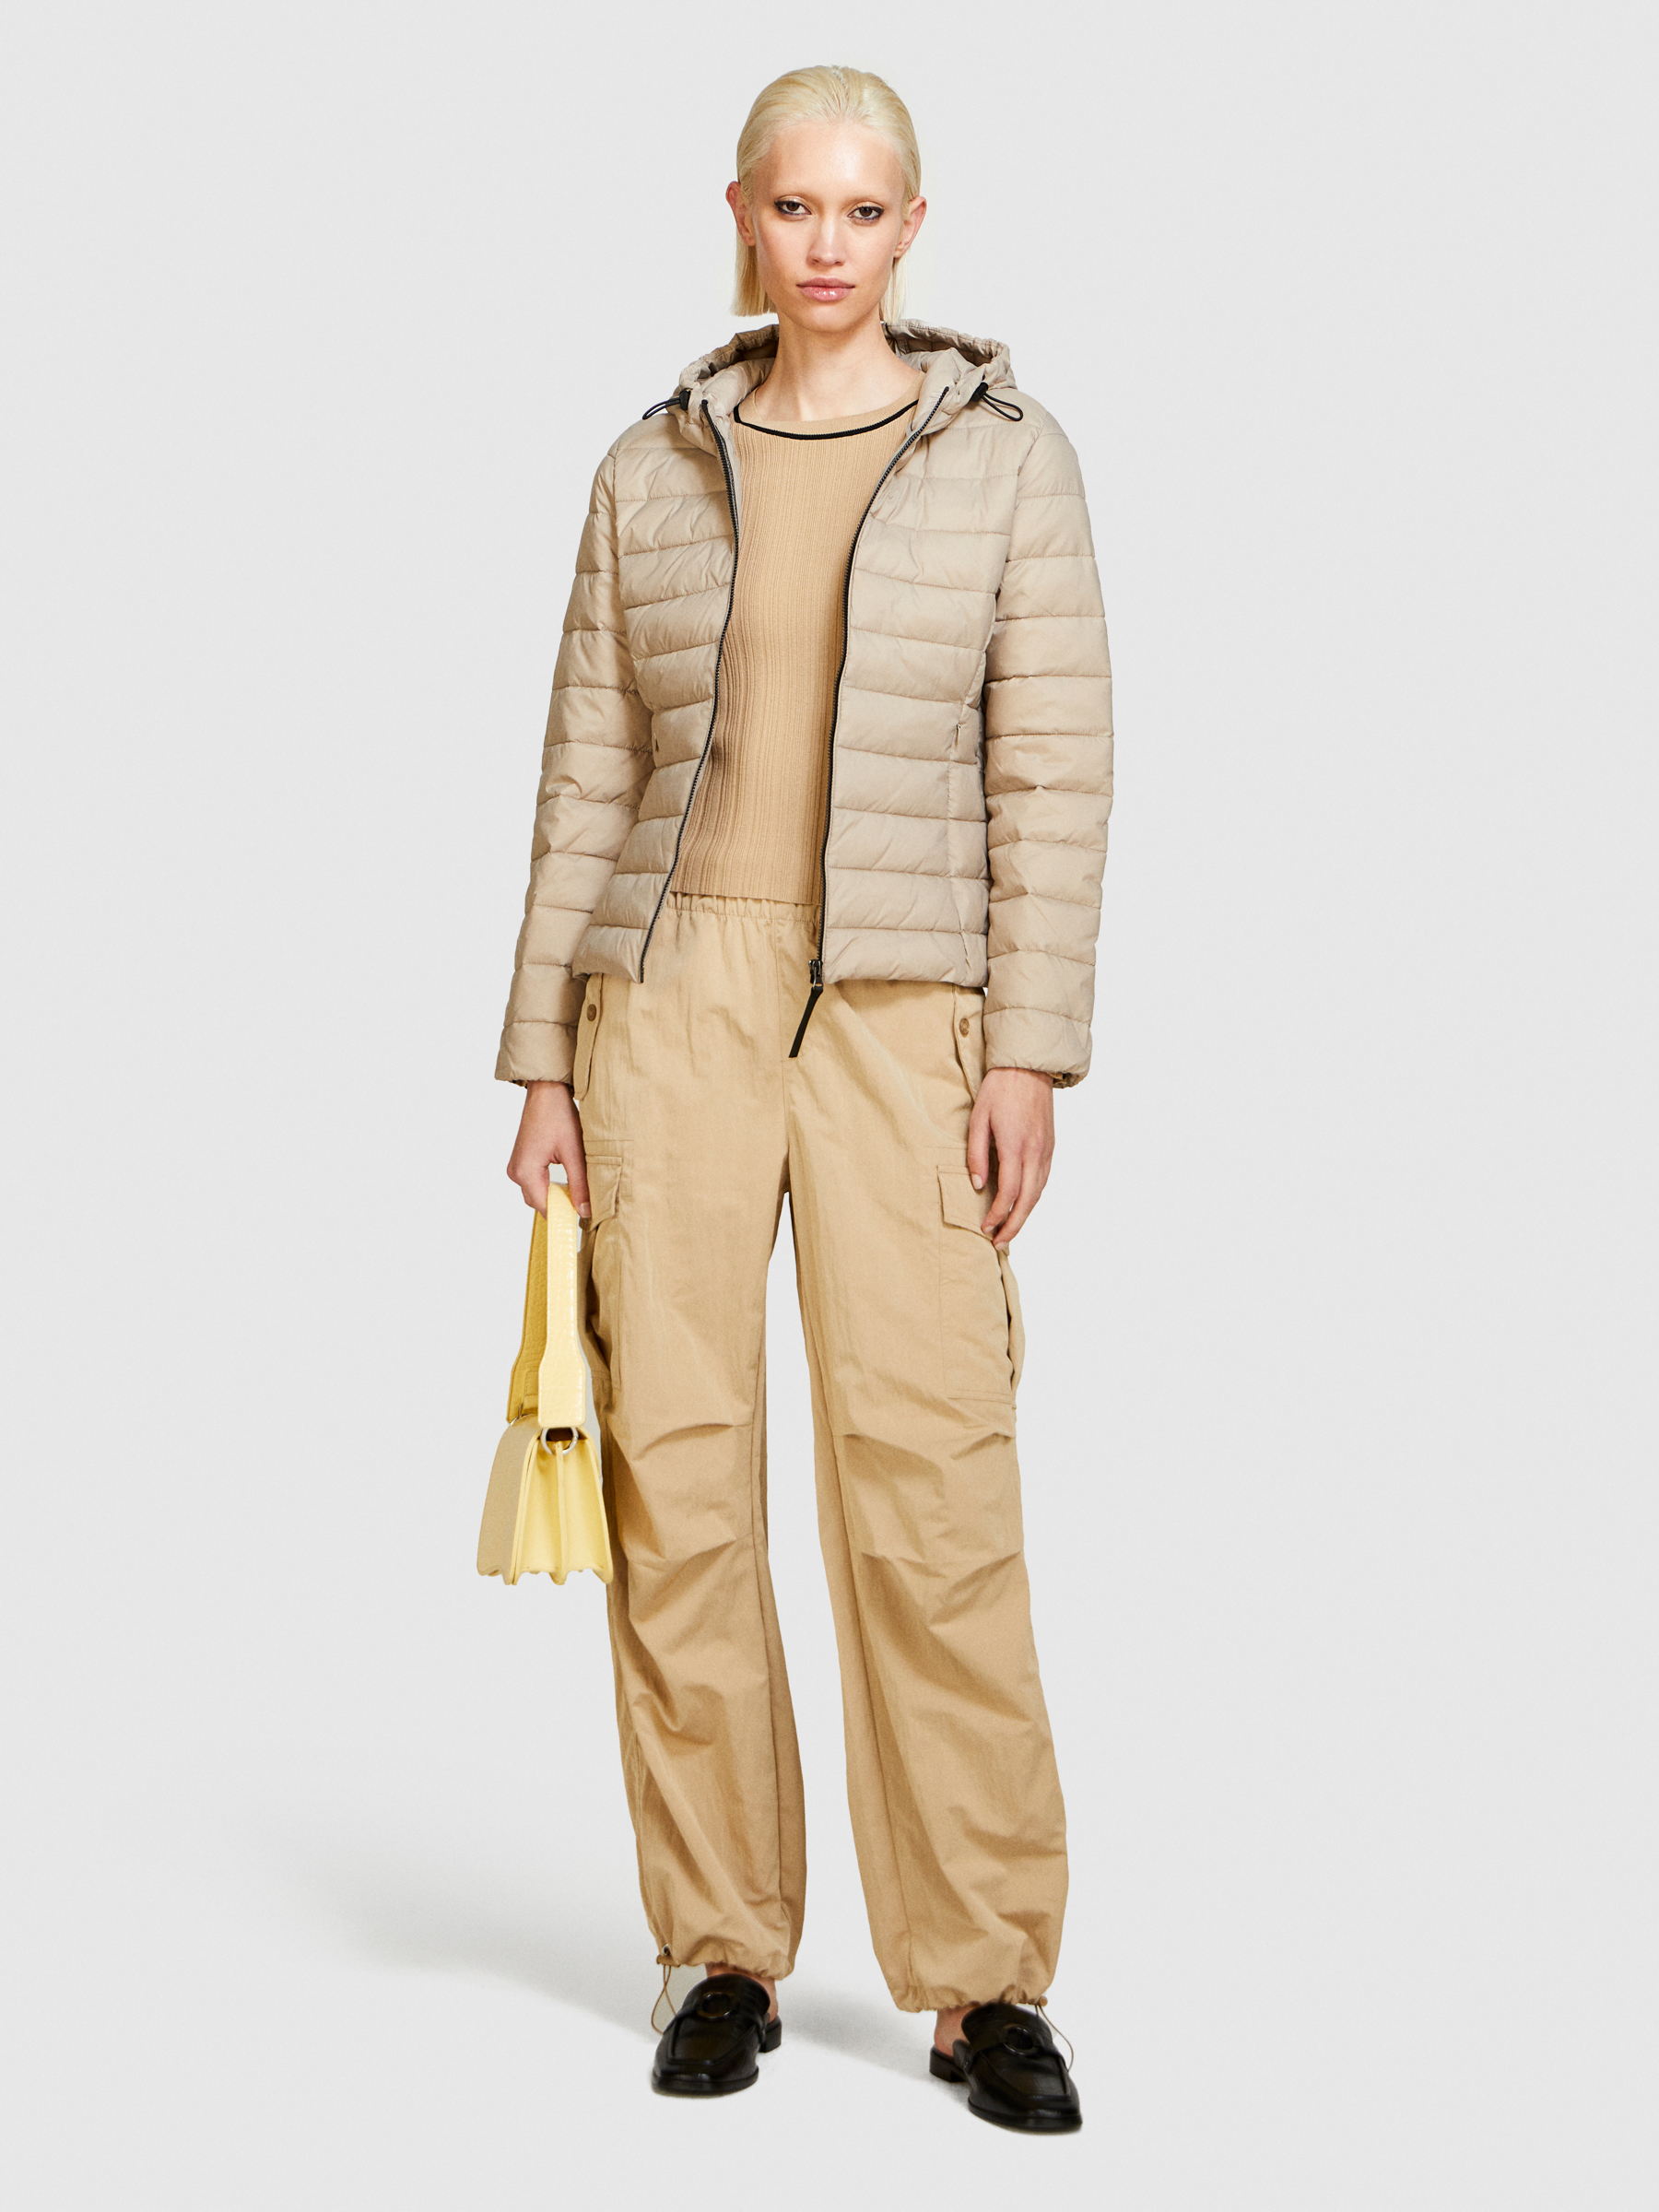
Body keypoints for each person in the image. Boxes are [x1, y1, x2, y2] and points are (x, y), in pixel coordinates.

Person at [499, 64, 1112, 2135]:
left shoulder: (1008, 460)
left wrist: (1028, 1045)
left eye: (864, 210)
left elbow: (1054, 770)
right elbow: (587, 767)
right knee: (675, 1465)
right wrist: (541, 1059)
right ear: (743, 216)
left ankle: (983, 1978)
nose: (827, 243)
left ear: (913, 228)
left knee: (930, 1475)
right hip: (670, 993)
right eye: (796, 206)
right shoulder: (650, 466)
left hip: (906, 1002)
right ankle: (721, 1949)